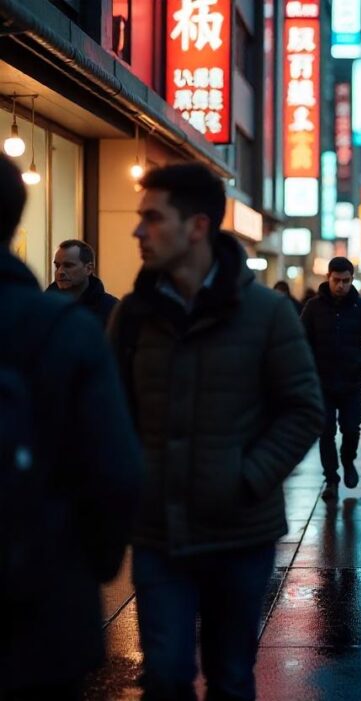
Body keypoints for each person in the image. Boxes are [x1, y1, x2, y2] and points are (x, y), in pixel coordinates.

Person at [108, 162, 324, 700]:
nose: (138, 232)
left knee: (230, 678)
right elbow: (111, 412)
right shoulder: (134, 314)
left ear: (197, 226)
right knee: (165, 676)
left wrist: (245, 479)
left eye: (152, 219)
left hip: (240, 534)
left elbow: (303, 410)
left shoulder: (267, 313)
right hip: (159, 532)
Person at [0, 154, 142, 699]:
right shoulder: (59, 327)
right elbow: (116, 467)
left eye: (68, 265)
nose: (60, 273)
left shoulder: (104, 314)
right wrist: (91, 564)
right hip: (47, 585)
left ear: (87, 266)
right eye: (57, 264)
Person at [301, 257, 361, 500]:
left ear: (351, 280)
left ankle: (348, 461)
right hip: (321, 383)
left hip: (351, 383)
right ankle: (331, 480)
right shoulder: (314, 307)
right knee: (325, 432)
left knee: (350, 429)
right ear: (328, 278)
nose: (341, 286)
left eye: (346, 281)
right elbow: (299, 340)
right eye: (337, 280)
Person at [45, 239, 119, 327]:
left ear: (88, 269)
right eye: (57, 266)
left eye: (68, 265)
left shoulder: (112, 309)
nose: (60, 272)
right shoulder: (44, 306)